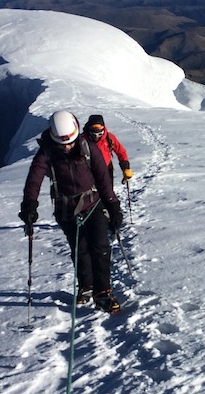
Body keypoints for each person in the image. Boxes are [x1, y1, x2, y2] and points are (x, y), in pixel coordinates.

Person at [19, 110, 124, 314]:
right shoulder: (47, 152)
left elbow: (103, 178)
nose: (67, 147)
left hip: (93, 204)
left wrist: (113, 205)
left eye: (70, 143)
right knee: (80, 249)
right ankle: (86, 286)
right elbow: (34, 179)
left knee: (100, 247)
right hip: (66, 209)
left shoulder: (87, 147)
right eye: (62, 144)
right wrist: (29, 205)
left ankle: (103, 293)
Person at [83, 114, 133, 183]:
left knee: (107, 192)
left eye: (99, 134)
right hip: (88, 172)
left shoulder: (109, 138)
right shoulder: (82, 140)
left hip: (106, 171)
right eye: (93, 134)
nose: (96, 137)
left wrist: (126, 168)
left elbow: (121, 152)